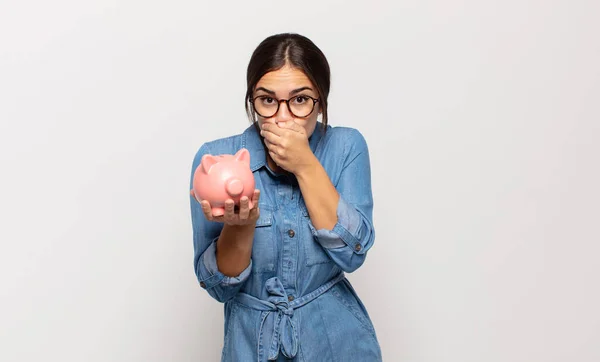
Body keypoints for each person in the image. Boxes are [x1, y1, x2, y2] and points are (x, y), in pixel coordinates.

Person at [189, 33, 382, 361]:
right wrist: (240, 226)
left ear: (319, 100)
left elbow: (353, 255)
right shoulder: (217, 158)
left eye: (300, 100)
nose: (282, 117)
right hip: (251, 346)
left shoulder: (345, 147)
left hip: (337, 343)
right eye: (267, 100)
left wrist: (306, 165)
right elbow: (220, 288)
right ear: (252, 101)